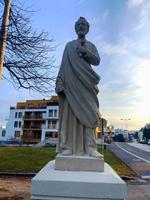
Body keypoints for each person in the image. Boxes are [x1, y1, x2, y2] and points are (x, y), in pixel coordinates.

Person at [55, 17, 102, 158]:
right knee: (70, 115)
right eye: (79, 25)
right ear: (76, 28)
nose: (81, 27)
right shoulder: (69, 46)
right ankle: (68, 146)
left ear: (87, 28)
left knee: (90, 113)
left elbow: (97, 60)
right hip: (71, 85)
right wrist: (59, 82)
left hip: (86, 84)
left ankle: (91, 148)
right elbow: (63, 66)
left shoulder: (91, 46)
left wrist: (85, 51)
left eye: (84, 25)